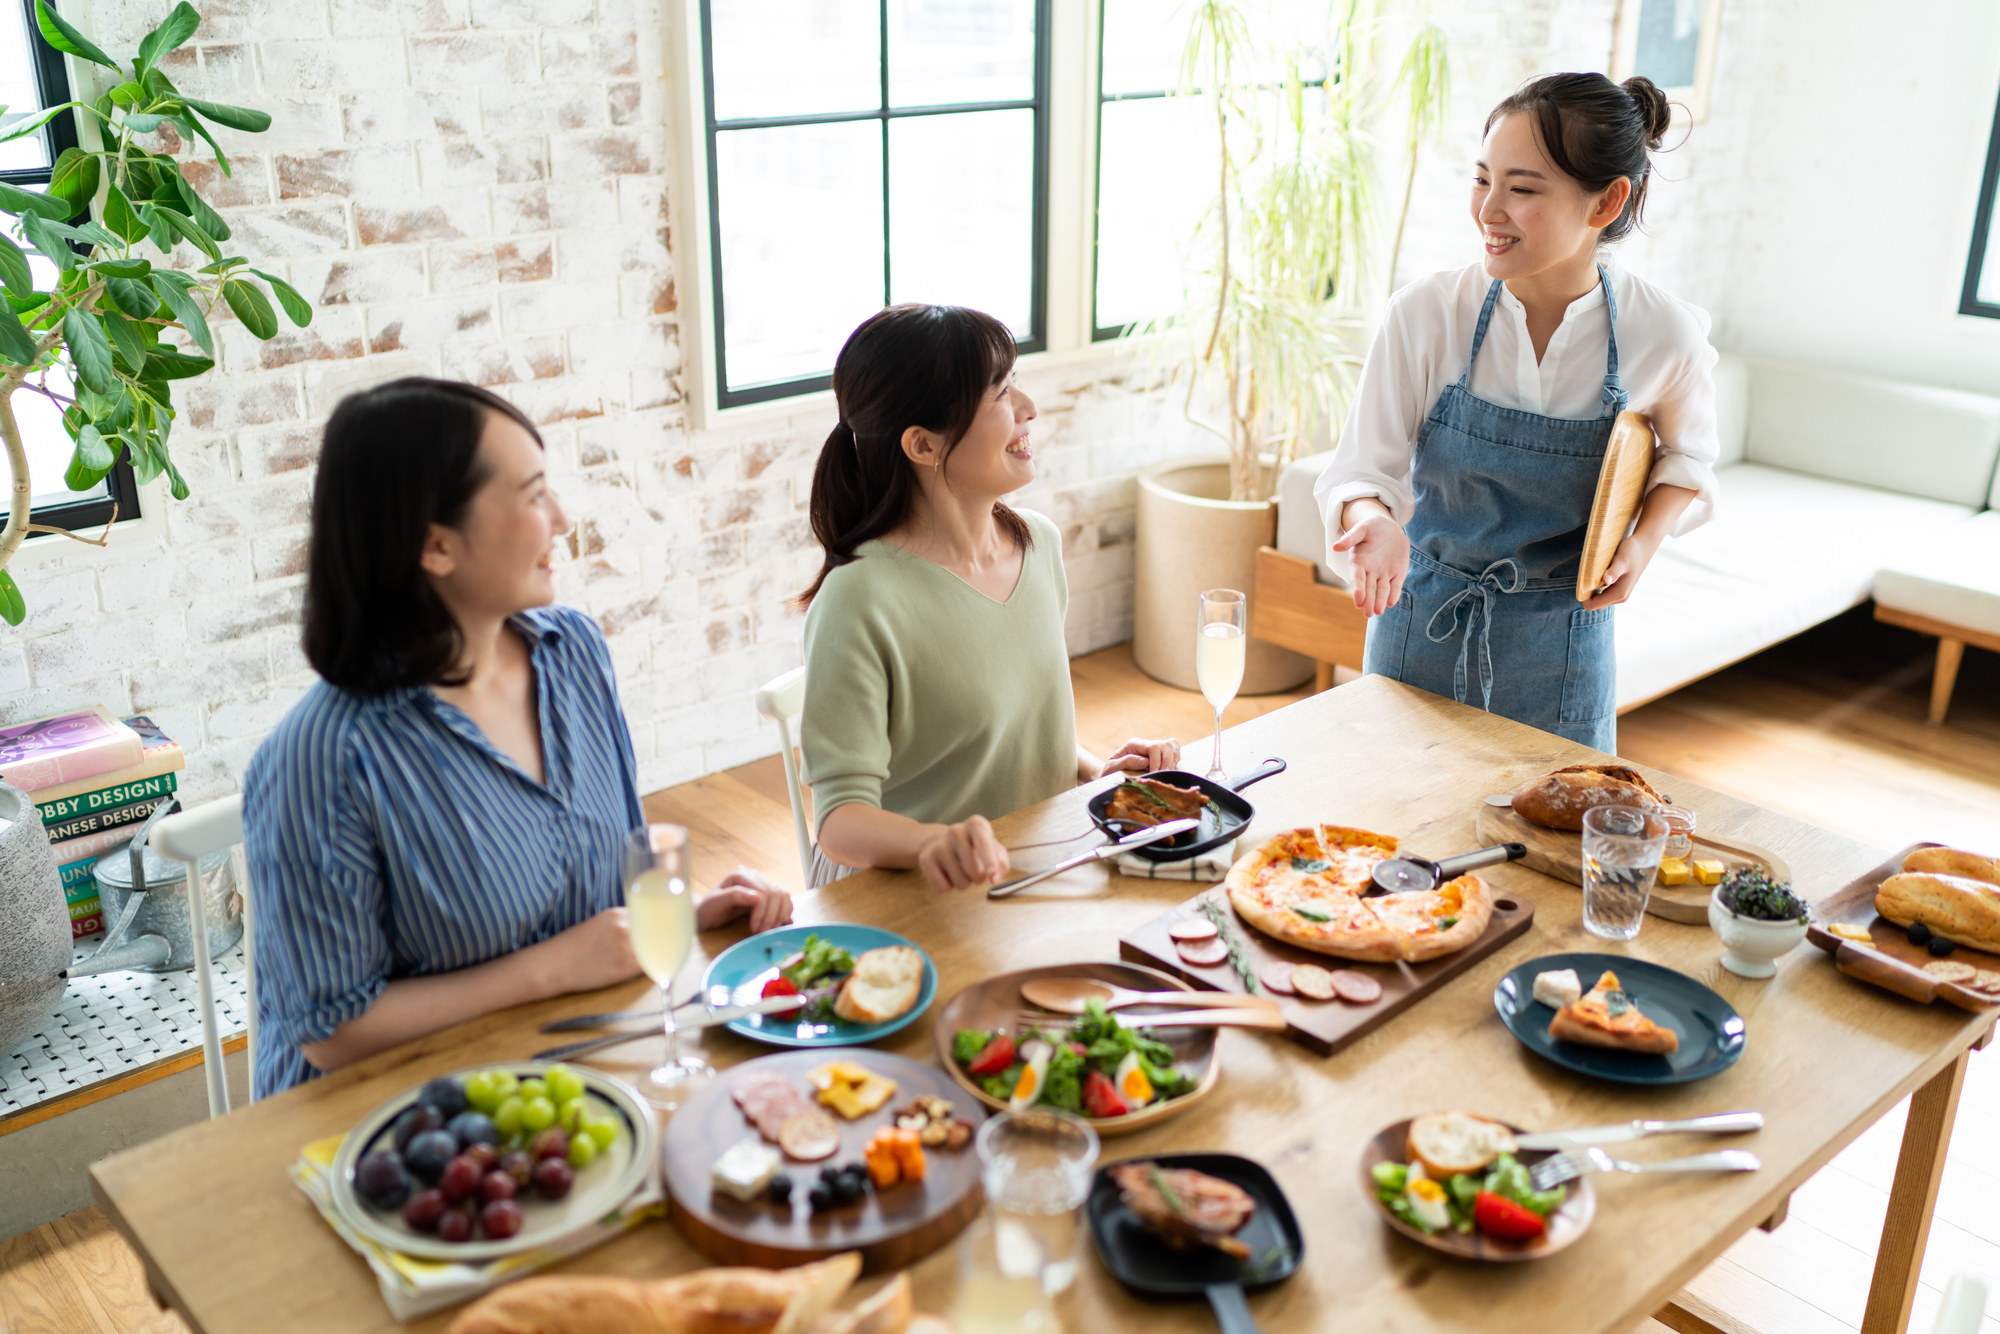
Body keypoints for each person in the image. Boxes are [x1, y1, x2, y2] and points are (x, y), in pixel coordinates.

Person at [244, 379, 792, 1098]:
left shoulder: (574, 653)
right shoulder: (321, 758)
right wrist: (555, 969)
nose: (562, 519)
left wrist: (684, 912)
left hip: (569, 1070)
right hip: (387, 1124)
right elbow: (332, 1031)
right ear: (434, 544)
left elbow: (593, 884)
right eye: (534, 495)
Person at [1315, 73, 1719, 752]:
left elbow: (1688, 459)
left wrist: (1642, 544)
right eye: (1482, 179)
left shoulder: (1663, 333)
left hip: (1564, 651)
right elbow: (1360, 469)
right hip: (1421, 632)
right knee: (1394, 843)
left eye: (1522, 189)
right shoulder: (1427, 313)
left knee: (1550, 848)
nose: (1488, 210)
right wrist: (1374, 521)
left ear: (1607, 201)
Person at [797, 304, 1180, 892]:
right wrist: (934, 842)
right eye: (1001, 395)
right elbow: (839, 823)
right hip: (908, 892)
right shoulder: (858, 598)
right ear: (923, 445)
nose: (1028, 409)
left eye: (1016, 384)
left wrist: (1100, 774)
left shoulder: (1038, 544)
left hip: (1035, 860)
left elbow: (1021, 734)